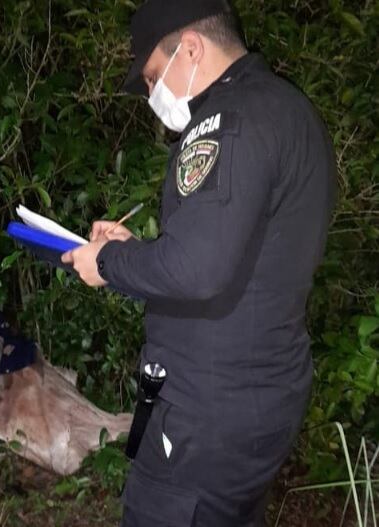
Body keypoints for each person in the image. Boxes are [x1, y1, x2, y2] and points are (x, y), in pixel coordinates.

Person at [60, 0, 337, 525]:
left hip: (203, 416)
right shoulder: (291, 109)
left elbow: (196, 270)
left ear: (189, 48)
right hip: (262, 399)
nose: (151, 95)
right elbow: (242, 254)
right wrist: (135, 248)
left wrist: (110, 261)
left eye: (150, 78)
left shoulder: (225, 120)